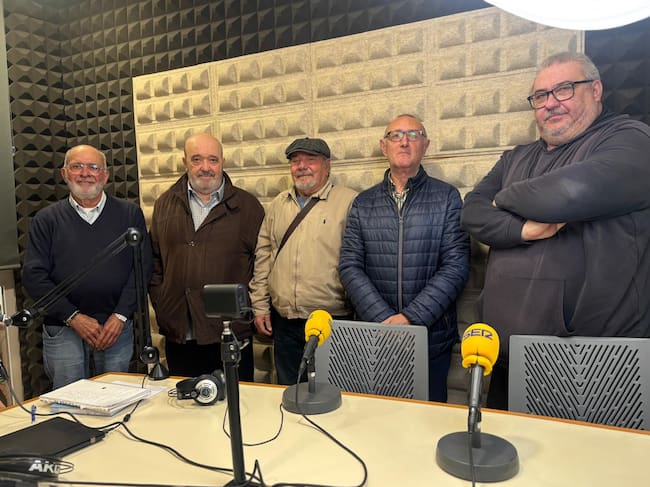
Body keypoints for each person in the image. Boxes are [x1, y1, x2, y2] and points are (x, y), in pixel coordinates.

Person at [460, 52, 650, 409]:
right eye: (540, 96)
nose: (550, 103)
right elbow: (472, 212)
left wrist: (500, 199)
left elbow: (566, 195)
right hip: (504, 356)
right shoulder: (515, 158)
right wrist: (523, 230)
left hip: (588, 365)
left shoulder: (631, 140)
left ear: (596, 89)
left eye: (564, 89)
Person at [338, 115, 470, 402]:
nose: (404, 142)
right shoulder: (363, 202)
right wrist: (384, 319)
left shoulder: (447, 197)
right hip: (376, 335)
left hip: (430, 337)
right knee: (378, 415)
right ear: (383, 146)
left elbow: (456, 266)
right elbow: (349, 265)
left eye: (413, 134)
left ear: (426, 145)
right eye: (396, 135)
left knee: (428, 416)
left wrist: (411, 317)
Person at [23, 144, 151, 389]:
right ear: (64, 173)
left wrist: (120, 315)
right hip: (63, 326)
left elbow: (142, 268)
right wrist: (73, 316)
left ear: (105, 175)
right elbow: (34, 276)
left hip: (115, 327)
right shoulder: (46, 220)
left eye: (93, 167)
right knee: (69, 400)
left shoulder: (129, 214)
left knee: (115, 396)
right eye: (77, 166)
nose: (85, 173)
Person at [149, 133, 264, 380]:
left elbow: (262, 266)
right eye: (197, 159)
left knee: (235, 401)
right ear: (185, 162)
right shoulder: (164, 204)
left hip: (230, 333)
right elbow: (155, 262)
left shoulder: (248, 206)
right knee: (185, 401)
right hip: (180, 333)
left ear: (222, 162)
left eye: (213, 160)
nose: (205, 167)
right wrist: (162, 302)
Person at [249, 137, 357, 385]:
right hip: (285, 323)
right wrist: (261, 306)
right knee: (290, 392)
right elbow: (264, 258)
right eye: (296, 161)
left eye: (311, 160)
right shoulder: (278, 205)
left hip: (331, 322)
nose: (302, 166)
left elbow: (359, 262)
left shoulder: (348, 202)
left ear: (327, 165)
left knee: (334, 394)